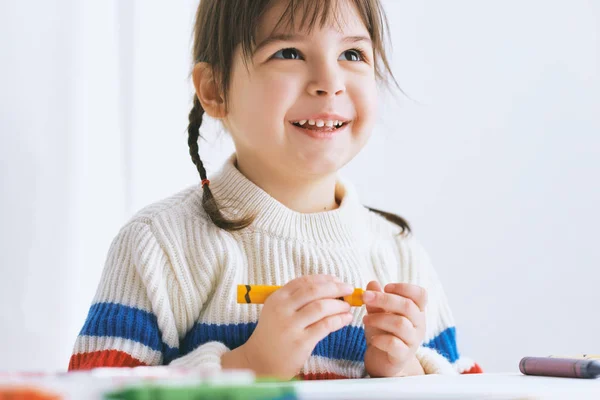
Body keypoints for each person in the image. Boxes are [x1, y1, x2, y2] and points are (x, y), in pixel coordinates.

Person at [69, 0, 482, 380]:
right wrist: (249, 365)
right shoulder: (159, 245)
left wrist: (404, 369)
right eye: (289, 53)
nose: (329, 82)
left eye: (351, 55)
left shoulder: (399, 252)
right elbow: (95, 390)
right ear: (215, 90)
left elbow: (470, 388)